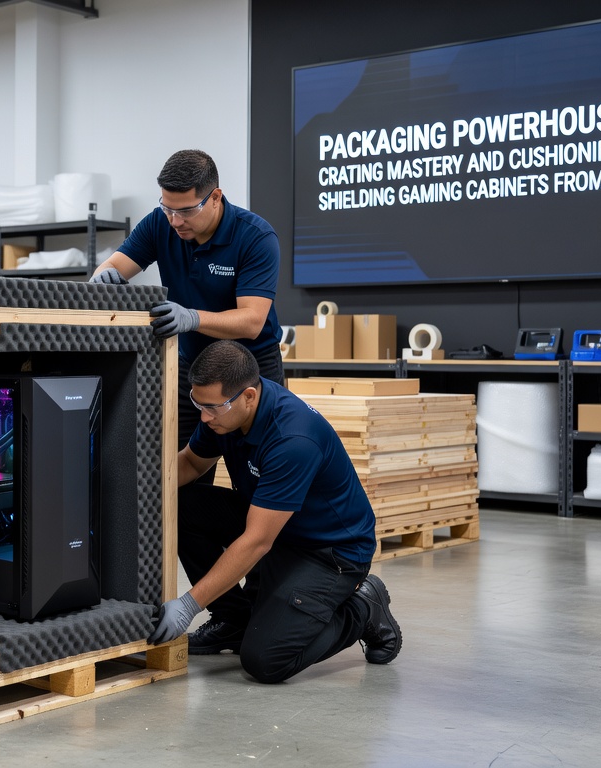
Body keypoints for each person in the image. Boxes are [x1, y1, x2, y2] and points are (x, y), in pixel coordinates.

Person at [146, 340, 401, 683]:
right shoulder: (223, 416)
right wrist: (139, 492)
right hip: (276, 525)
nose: (203, 417)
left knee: (266, 660)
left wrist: (189, 605)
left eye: (212, 408)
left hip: (329, 553)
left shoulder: (292, 438)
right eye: (198, 404)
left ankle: (364, 608)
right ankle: (234, 621)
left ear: (248, 397)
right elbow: (191, 462)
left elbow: (256, 542)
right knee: (182, 505)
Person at [90, 150, 283, 482]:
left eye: (186, 211)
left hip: (251, 369)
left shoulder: (255, 237)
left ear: (215, 198)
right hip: (192, 367)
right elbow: (113, 268)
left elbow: (252, 321)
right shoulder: (159, 223)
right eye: (168, 209)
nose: (176, 221)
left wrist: (193, 318)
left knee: (257, 477)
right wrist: (103, 276)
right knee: (181, 473)